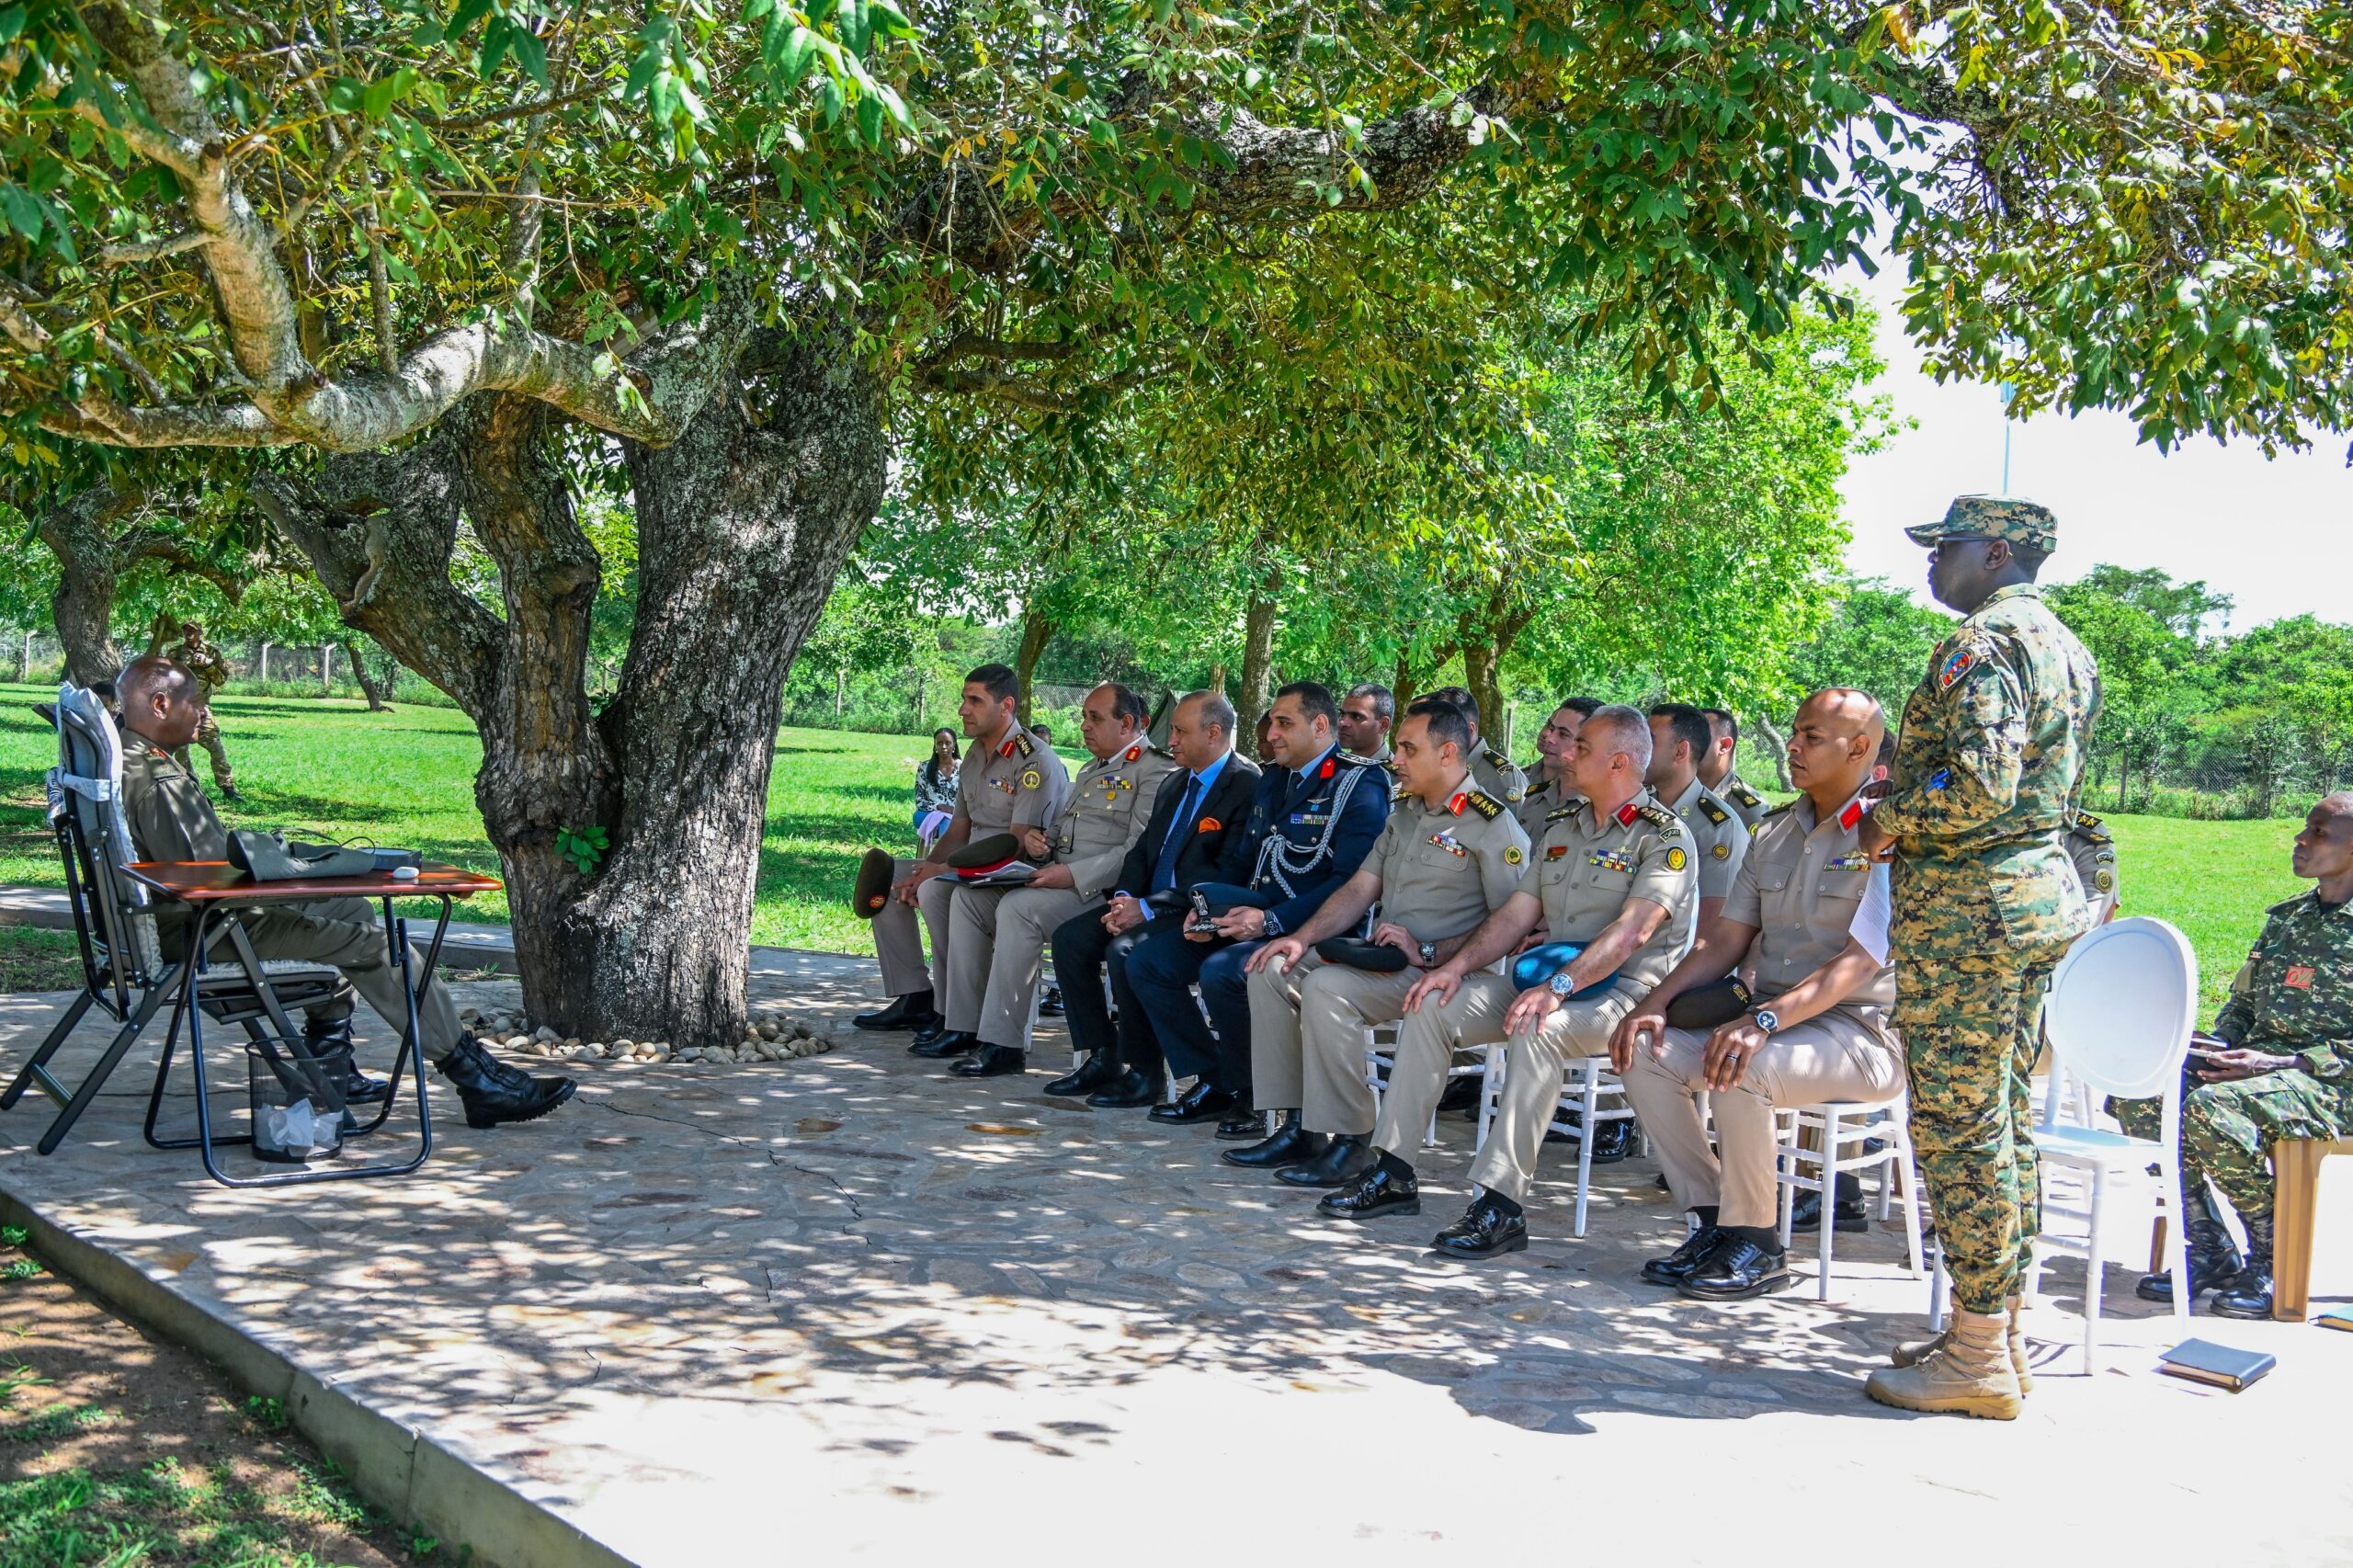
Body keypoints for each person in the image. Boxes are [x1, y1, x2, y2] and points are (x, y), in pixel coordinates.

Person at [1858, 494, 2101, 1421]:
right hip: (2028, 902)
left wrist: (1887, 817)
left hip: (1971, 916)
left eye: (1946, 547)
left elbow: (1980, 787)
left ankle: (1975, 1352)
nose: (1932, 562)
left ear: (1995, 552)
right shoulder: (2066, 646)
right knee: (2000, 1120)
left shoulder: (1981, 644)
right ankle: (1988, 1331)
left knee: (1959, 1128)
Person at [112, 657, 574, 1127]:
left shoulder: (128, 758)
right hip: (201, 933)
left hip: (175, 923)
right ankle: (477, 1078)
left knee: (349, 907)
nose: (204, 713)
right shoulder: (158, 779)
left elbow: (204, 869)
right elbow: (214, 883)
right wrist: (304, 872)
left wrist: (299, 870)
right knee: (379, 947)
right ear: (162, 703)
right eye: (196, 702)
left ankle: (329, 1065)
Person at [1319, 705, 1696, 1255]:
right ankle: (1394, 1171)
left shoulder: (1662, 837)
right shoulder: (1566, 825)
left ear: (1618, 762)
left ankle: (1501, 1203)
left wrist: (1558, 989)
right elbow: (1516, 915)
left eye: (1582, 748)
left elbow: (1632, 933)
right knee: (1431, 1005)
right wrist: (1450, 970)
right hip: (1544, 983)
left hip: (1619, 995)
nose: (1565, 753)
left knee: (1538, 1029)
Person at [1614, 689, 1901, 1301]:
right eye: (1795, 733)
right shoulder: (1772, 832)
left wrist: (1764, 1021)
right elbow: (1723, 942)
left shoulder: (1887, 837)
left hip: (1859, 1033)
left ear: (1859, 748)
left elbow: (1860, 962)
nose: (1792, 746)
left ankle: (1761, 1246)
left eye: (1811, 737)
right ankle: (1717, 1221)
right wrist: (1651, 1006)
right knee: (1645, 1051)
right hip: (1771, 1022)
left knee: (1743, 1066)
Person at [1234, 699, 1529, 1184]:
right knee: (1272, 967)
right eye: (1398, 749)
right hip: (1391, 963)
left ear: (1448, 753)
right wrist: (1298, 938)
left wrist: (1433, 953)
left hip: (1450, 974)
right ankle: (1299, 1127)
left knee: (1328, 988)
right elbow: (1359, 887)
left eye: (1409, 749)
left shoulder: (1494, 825)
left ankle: (1352, 1142)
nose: (1397, 759)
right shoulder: (1405, 814)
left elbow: (1511, 924)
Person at [2106, 794, 2351, 1318]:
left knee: (2214, 1109)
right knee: (2143, 1092)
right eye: (2305, 829)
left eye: (2320, 833)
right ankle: (2209, 1247)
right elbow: (2242, 1003)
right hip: (2261, 1070)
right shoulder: (2288, 920)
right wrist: (2215, 1046)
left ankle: (2271, 1256)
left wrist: (2284, 1063)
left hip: (2332, 1083)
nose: (2301, 840)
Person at [1122, 681, 1388, 1134]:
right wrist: (1205, 908)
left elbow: (1348, 883)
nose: (1272, 734)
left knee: (1224, 972)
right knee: (1149, 961)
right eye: (1274, 723)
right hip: (1251, 918)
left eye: (1285, 724)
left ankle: (1252, 1099)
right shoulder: (1274, 779)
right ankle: (1216, 1079)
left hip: (1314, 930)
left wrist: (1272, 921)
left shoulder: (1357, 782)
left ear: (1320, 725)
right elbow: (1246, 861)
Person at [933, 684, 1176, 1078]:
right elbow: (1063, 831)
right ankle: (964, 1025)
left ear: (1127, 723)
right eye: (1083, 717)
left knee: (1017, 909)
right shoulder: (1091, 768)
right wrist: (1040, 845)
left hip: (1102, 891)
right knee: (968, 900)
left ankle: (1003, 1044)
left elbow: (1138, 850)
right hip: (1056, 878)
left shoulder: (1154, 769)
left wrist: (1072, 873)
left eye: (1094, 718)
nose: (1084, 726)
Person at [1049, 692, 1261, 1107]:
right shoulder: (1176, 782)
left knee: (1127, 951)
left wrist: (1146, 907)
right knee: (1071, 939)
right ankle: (1104, 1054)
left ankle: (1151, 1072)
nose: (1172, 740)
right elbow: (1144, 850)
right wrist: (1125, 897)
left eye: (1181, 731)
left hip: (1195, 912)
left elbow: (1226, 871)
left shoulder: (1244, 785)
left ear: (1214, 733)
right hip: (1147, 904)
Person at [852, 665, 1072, 1038]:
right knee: (891, 880)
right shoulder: (973, 754)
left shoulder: (1033, 759)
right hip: (966, 863)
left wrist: (940, 872)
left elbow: (1016, 843)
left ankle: (952, 1008)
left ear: (1006, 706)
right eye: (963, 700)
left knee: (935, 890)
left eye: (974, 701)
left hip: (1007, 869)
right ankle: (915, 996)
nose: (962, 710)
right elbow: (959, 828)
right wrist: (931, 864)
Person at [1645, 702, 1752, 927]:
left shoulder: (1719, 827)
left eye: (1649, 741)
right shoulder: (1638, 806)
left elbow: (1711, 927)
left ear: (1681, 751)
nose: (1638, 749)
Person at [165, 620, 239, 801]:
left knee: (215, 745)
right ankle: (187, 785)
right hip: (180, 706)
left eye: (193, 630)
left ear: (200, 632)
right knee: (181, 748)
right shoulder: (174, 653)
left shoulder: (212, 652)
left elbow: (221, 680)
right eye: (186, 630)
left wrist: (208, 665)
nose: (189, 633)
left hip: (201, 707)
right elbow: (165, 678)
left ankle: (227, 787)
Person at [1422, 686, 1528, 805]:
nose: (1431, 733)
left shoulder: (1505, 778)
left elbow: (1512, 823)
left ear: (1469, 730)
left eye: (1442, 726)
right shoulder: (1430, 763)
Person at [1515, 698, 1597, 838]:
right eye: (1551, 728)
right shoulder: (1535, 795)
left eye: (1563, 734)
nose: (1549, 738)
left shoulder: (1599, 808)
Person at [1699, 706, 1768, 828]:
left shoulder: (1750, 810)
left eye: (1699, 736)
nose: (1688, 743)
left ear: (1724, 745)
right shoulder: (1669, 791)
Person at [914, 727, 961, 850]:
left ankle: (941, 859)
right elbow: (919, 800)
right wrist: (940, 807)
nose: (944, 747)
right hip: (927, 813)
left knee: (947, 822)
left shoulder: (964, 767)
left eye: (948, 743)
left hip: (955, 814)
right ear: (935, 746)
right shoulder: (925, 767)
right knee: (947, 822)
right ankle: (945, 859)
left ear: (954, 745)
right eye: (940, 743)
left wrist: (954, 810)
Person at [1339, 683, 1395, 767]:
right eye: (1342, 714)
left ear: (1383, 725)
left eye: (1356, 717)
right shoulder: (1333, 765)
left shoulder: (1399, 777)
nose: (1342, 722)